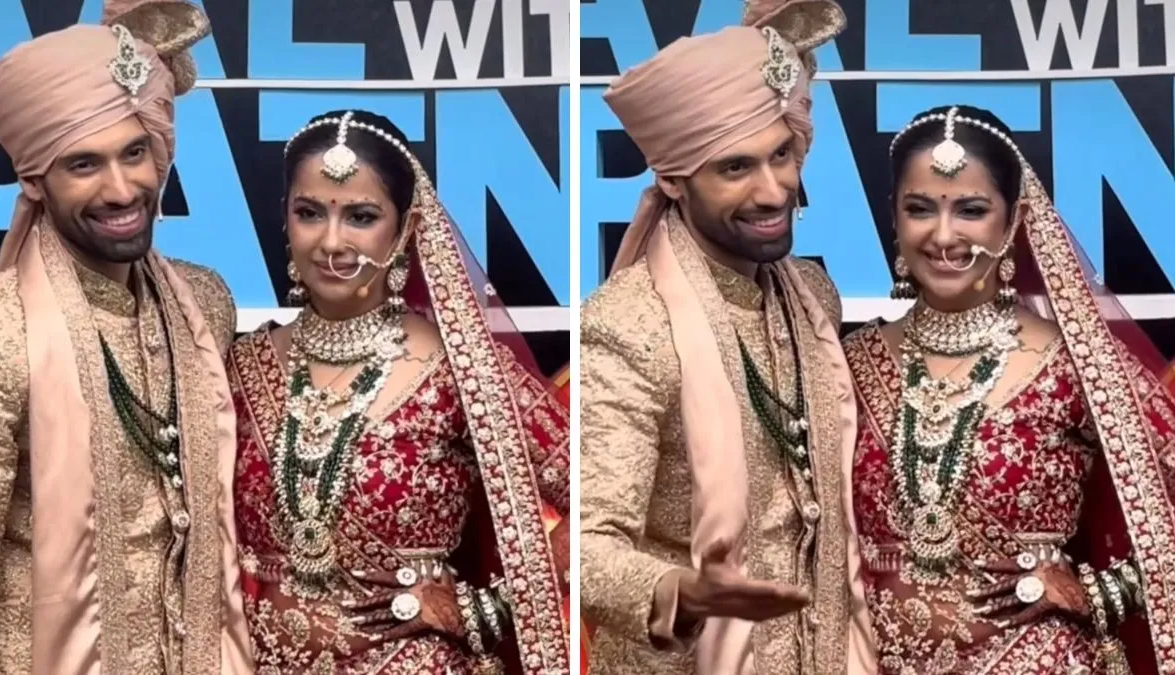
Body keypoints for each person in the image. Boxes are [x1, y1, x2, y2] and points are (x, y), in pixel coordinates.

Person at [579, 1, 877, 673]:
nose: (774, 190)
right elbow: (588, 546)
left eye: (782, 155)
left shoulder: (812, 296)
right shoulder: (629, 324)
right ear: (674, 179)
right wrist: (681, 592)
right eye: (736, 168)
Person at [226, 109, 570, 674]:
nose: (331, 241)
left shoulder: (460, 369)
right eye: (309, 213)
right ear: (284, 217)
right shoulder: (240, 366)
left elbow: (598, 497)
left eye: (361, 217)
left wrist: (485, 609)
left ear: (406, 229)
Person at [843, 104, 1175, 673]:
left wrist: (1102, 593)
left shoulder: (1074, 364)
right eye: (919, 209)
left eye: (971, 210)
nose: (943, 235)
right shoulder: (848, 362)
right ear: (893, 217)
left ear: (1014, 220)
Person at [0, 1, 253, 674]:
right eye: (83, 165)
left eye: (135, 152)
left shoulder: (205, 304)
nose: (122, 189)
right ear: (36, 179)